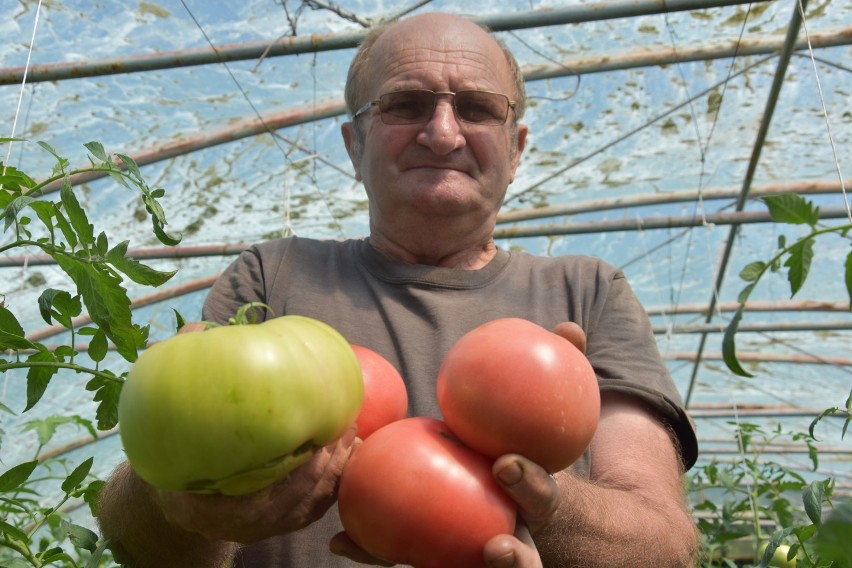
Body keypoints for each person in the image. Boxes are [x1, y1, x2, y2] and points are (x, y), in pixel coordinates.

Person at [97, 12, 699, 568]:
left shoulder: (588, 293)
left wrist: (533, 493)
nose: (442, 134)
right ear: (353, 146)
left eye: (478, 108)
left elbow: (663, 545)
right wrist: (175, 501)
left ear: (515, 150)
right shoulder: (270, 278)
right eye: (405, 105)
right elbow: (147, 548)